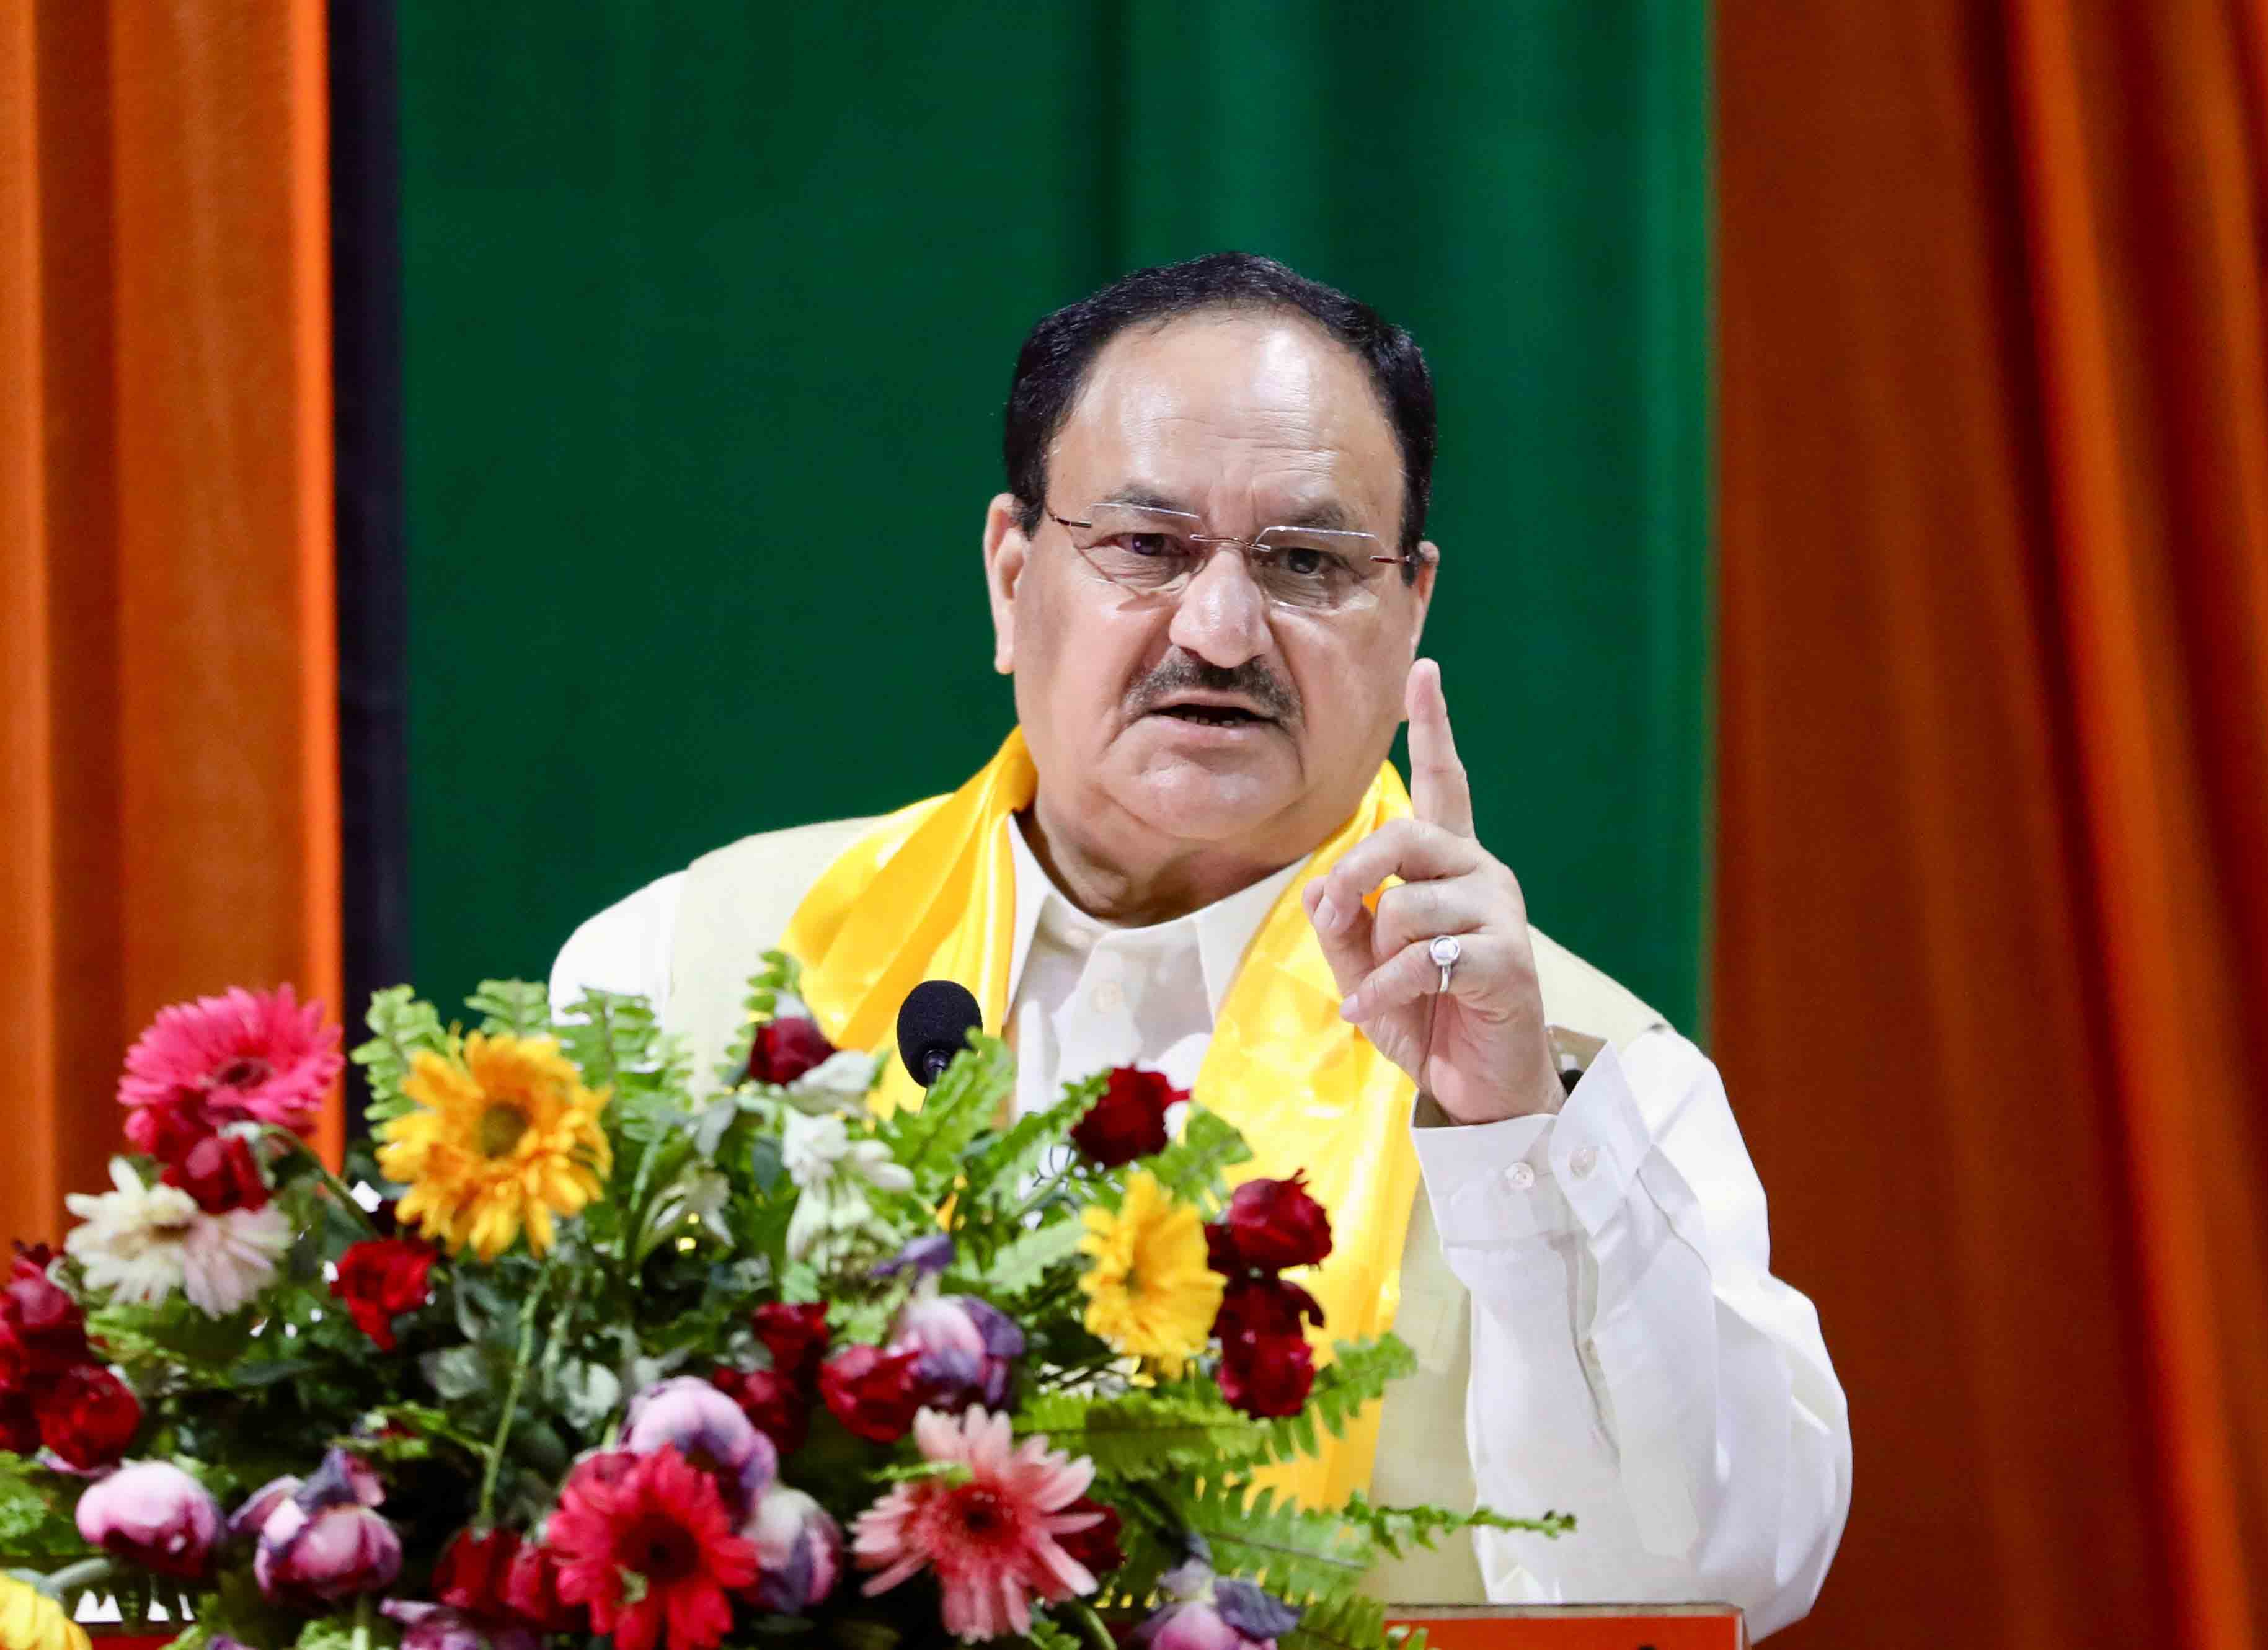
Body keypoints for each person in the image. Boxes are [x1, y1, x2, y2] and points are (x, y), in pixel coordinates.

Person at [550, 252, 1849, 1636]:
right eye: (1147, 546)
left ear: (1410, 607)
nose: (1220, 629)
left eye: (1306, 561)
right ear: (1009, 576)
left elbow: (1729, 1572)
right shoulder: (687, 963)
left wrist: (1514, 1141)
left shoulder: (1582, 1071)